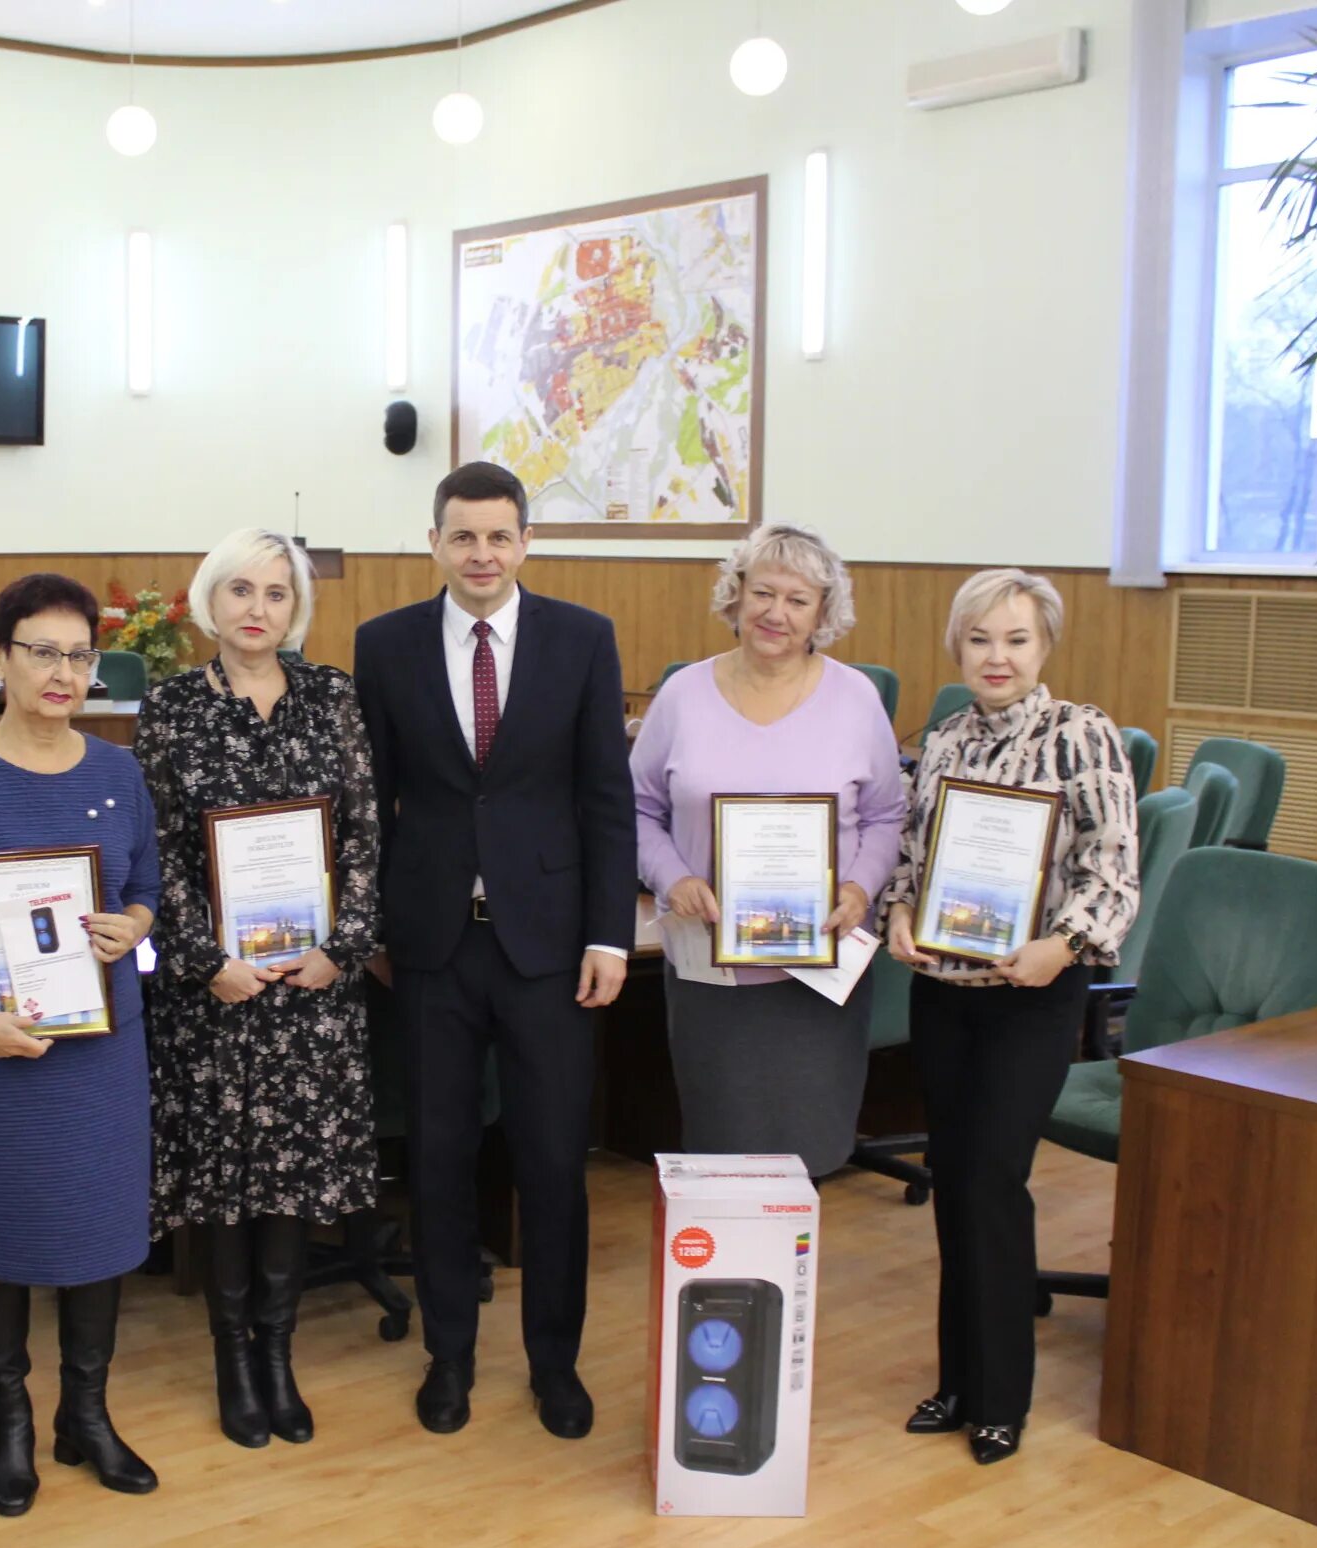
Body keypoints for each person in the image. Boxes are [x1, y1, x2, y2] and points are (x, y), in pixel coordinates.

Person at [352, 461, 637, 1441]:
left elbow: (606, 797)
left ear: (524, 542)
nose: (481, 554)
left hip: (551, 948)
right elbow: (370, 806)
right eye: (462, 536)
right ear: (433, 541)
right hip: (429, 945)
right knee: (436, 1159)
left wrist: (608, 931)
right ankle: (451, 1357)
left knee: (554, 1161)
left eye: (499, 536)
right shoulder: (383, 644)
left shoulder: (581, 639)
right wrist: (377, 928)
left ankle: (554, 1363)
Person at [0, 573, 162, 1517]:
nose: (62, 672)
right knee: (2, 1240)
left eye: (78, 654)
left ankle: (83, 1415)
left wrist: (132, 925)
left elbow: (148, 893)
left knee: (101, 1233)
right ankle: (11, 1421)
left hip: (103, 1050)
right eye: (40, 651)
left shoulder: (118, 771)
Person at [881, 568, 1139, 1466]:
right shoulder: (944, 737)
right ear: (959, 647)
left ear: (1045, 647)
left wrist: (1060, 948)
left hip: (1033, 992)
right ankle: (957, 1381)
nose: (998, 656)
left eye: (1017, 639)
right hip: (945, 993)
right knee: (953, 1181)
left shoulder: (1084, 736)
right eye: (982, 639)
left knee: (993, 1180)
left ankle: (1001, 1398)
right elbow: (910, 859)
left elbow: (1113, 872)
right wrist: (901, 915)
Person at [137, 529, 381, 1451]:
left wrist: (344, 946)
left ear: (296, 608)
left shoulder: (332, 698)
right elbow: (155, 853)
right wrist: (207, 960)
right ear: (210, 600)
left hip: (314, 989)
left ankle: (278, 1353)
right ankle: (232, 1360)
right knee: (225, 1185)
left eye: (276, 594)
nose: (257, 608)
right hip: (218, 994)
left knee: (291, 1182)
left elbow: (361, 832)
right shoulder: (169, 709)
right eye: (239, 589)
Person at [630, 524, 908, 1174]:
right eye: (762, 592)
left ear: (823, 613)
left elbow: (887, 812)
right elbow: (636, 807)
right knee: (721, 1156)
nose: (775, 613)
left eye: (797, 599)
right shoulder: (682, 695)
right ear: (736, 596)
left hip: (818, 974)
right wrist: (672, 878)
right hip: (711, 968)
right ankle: (727, 1278)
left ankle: (793, 1280)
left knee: (807, 1155)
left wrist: (860, 886)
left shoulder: (856, 699)